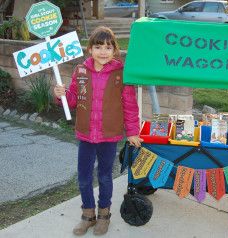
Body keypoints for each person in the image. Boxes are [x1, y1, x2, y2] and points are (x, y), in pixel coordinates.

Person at [53, 26, 143, 236]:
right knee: (84, 177)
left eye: (108, 47)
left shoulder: (121, 74)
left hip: (109, 136)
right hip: (85, 135)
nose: (103, 51)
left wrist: (132, 131)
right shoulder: (80, 71)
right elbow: (74, 99)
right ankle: (88, 215)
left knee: (104, 176)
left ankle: (104, 215)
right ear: (90, 49)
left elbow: (130, 106)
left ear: (114, 50)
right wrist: (62, 95)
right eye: (98, 46)